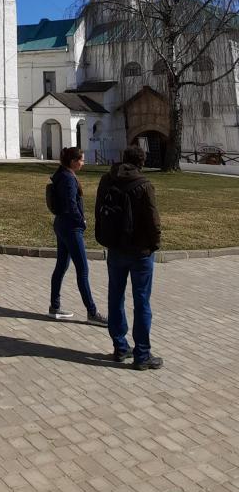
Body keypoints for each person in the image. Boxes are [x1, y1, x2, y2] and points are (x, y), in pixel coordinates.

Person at [95, 144, 162, 370]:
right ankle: (142, 354)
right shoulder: (144, 185)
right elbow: (153, 219)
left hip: (115, 248)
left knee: (116, 297)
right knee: (141, 301)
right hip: (140, 251)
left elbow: (98, 209)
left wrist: (102, 236)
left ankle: (120, 346)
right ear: (141, 162)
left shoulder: (107, 180)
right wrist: (155, 243)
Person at [48, 146, 107, 324]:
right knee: (82, 270)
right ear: (73, 162)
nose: (82, 162)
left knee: (61, 266)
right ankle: (92, 312)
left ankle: (55, 307)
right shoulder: (67, 178)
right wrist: (82, 221)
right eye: (81, 159)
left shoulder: (62, 174)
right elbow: (70, 204)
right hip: (71, 227)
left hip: (62, 225)